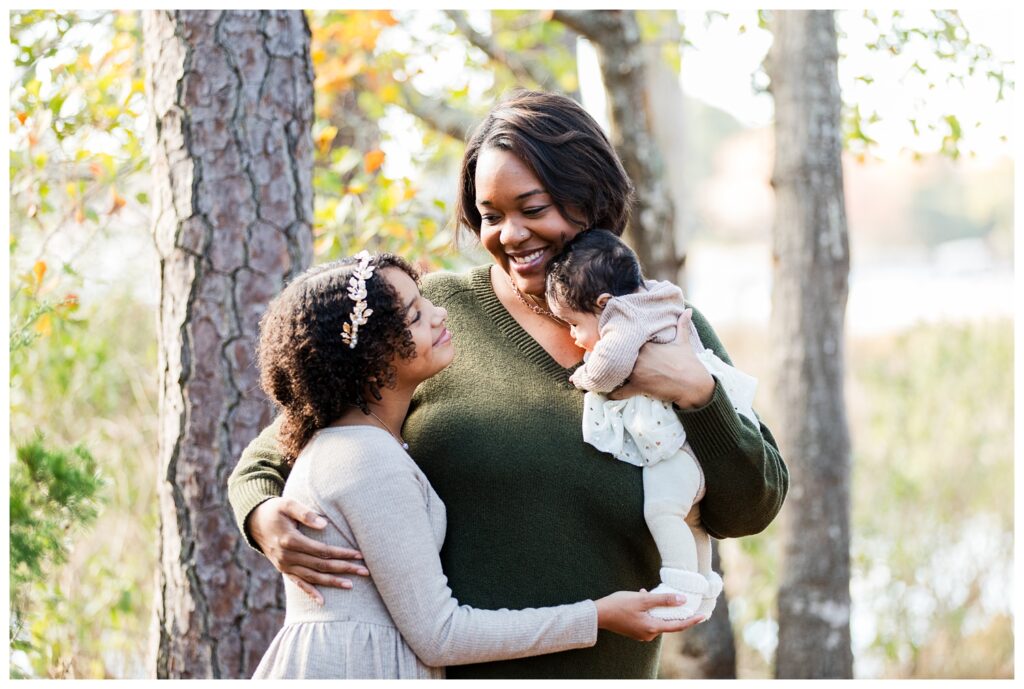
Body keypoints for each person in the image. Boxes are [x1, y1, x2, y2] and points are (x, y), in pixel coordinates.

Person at [228, 90, 788, 679]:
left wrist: (698, 394)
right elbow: (284, 446)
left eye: (532, 207)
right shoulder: (432, 321)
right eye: (491, 215)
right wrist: (263, 516)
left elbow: (752, 507)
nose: (511, 234)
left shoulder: (668, 327)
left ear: (588, 198)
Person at [249, 251, 691, 679]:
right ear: (368, 357)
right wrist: (597, 616)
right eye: (415, 317)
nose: (440, 314)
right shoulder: (367, 460)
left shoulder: (353, 444)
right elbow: (441, 634)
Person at [544, 229, 760, 623]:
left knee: (662, 510)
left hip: (680, 446)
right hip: (697, 447)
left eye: (575, 324)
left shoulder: (625, 316)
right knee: (690, 518)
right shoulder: (660, 296)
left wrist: (585, 377)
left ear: (604, 304)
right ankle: (702, 589)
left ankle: (680, 586)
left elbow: (611, 364)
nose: (575, 337)